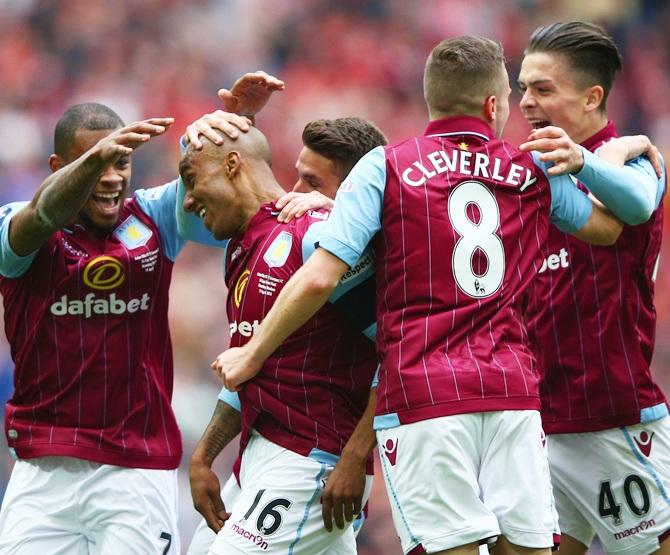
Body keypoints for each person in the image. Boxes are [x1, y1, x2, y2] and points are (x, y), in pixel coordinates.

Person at [212, 35, 660, 555]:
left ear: (430, 99)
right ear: (494, 105)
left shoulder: (383, 166)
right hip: (512, 392)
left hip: (424, 394)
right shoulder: (528, 168)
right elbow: (611, 227)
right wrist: (618, 153)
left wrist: (251, 352)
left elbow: (318, 277)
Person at [184, 109, 387, 554]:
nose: (297, 193)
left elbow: (399, 349)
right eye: (298, 178)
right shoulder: (244, 249)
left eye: (312, 184)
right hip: (260, 452)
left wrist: (356, 456)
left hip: (312, 460)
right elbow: (247, 370)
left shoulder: (320, 242)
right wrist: (203, 456)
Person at [0, 104, 185, 553]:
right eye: (96, 163)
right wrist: (97, 159)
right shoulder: (16, 223)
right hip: (44, 472)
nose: (111, 177)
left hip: (136, 469)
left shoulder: (154, 217)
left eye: (121, 161)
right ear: (59, 168)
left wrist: (238, 126)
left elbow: (233, 200)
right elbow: (43, 216)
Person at [518, 21, 669, 555]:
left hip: (612, 418)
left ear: (592, 97)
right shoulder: (527, 172)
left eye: (542, 89)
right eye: (522, 88)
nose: (527, 102)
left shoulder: (635, 162)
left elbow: (634, 207)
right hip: (539, 423)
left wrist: (588, 159)